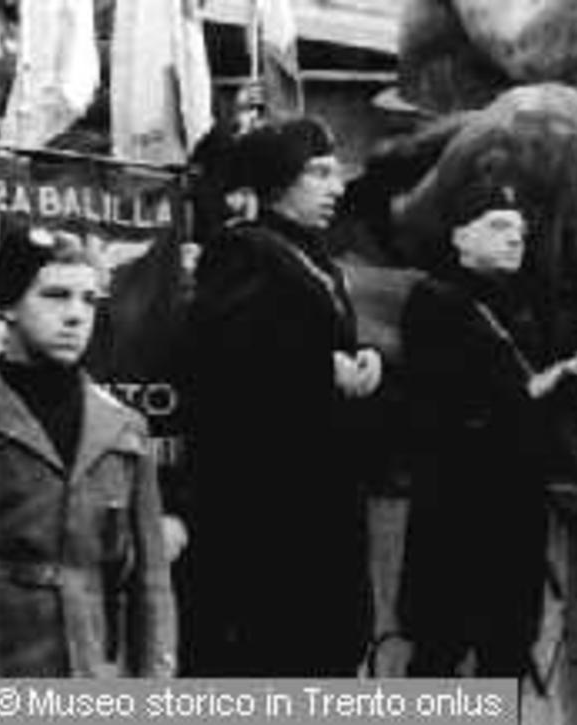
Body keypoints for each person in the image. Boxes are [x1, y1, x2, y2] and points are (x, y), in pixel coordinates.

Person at [186, 117, 382, 676]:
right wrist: (320, 371)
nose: (336, 187)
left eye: (336, 173)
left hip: (323, 498)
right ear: (276, 179)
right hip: (268, 510)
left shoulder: (312, 258)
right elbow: (224, 361)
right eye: (317, 172)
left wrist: (365, 360)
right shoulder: (242, 251)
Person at [397, 173, 577, 678]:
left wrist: (561, 386)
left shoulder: (518, 308)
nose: (514, 239)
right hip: (454, 507)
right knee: (438, 651)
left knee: (506, 653)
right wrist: (531, 393)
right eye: (499, 226)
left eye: (520, 231)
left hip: (515, 508)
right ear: (460, 237)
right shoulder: (435, 300)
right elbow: (438, 405)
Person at [0, 224, 176, 676]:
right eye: (55, 296)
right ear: (8, 306)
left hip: (92, 666)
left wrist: (155, 680)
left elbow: (150, 580)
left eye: (88, 300)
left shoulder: (122, 427)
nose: (75, 316)